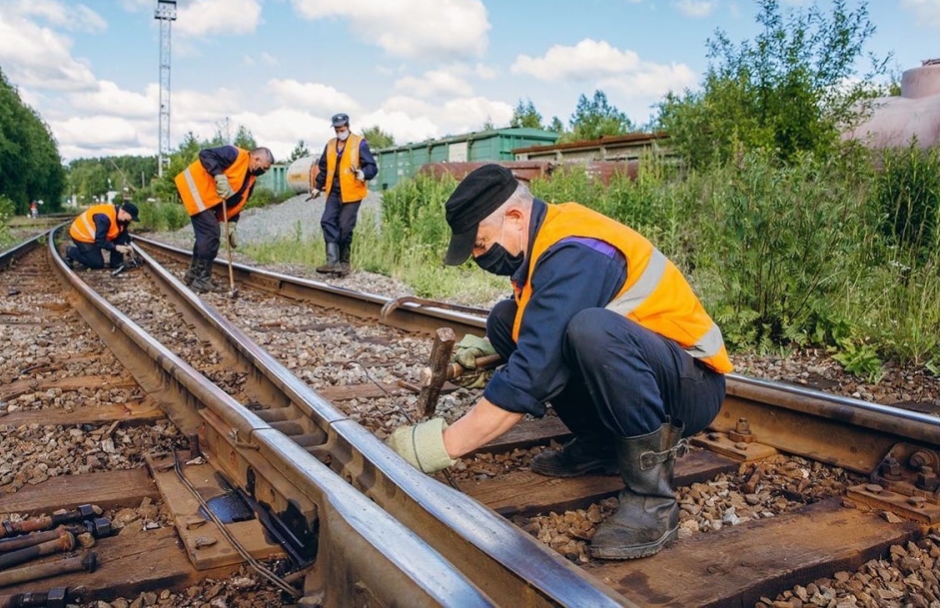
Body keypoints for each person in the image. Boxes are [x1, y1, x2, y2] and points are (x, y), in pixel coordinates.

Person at [387, 164, 730, 561]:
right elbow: (538, 324)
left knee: (592, 330)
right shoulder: (548, 237)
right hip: (653, 369)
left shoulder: (576, 251)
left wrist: (439, 446)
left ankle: (653, 501)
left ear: (514, 217)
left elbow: (535, 372)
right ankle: (602, 445)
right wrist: (489, 348)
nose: (477, 256)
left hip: (692, 384)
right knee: (504, 319)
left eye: (480, 244)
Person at [175, 145, 274, 292]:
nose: (263, 172)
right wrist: (218, 175)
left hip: (206, 199)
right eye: (264, 167)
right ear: (256, 158)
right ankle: (201, 281)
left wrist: (232, 224)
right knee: (211, 234)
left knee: (205, 237)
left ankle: (193, 275)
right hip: (196, 190)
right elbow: (205, 153)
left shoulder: (250, 178)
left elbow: (237, 202)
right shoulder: (234, 154)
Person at [310, 113, 378, 276]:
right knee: (327, 221)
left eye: (341, 128)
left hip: (352, 192)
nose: (339, 131)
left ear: (347, 126)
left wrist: (363, 173)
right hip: (333, 191)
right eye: (336, 129)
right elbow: (324, 168)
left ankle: (344, 263)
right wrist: (317, 187)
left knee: (345, 228)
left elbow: (372, 167)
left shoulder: (359, 143)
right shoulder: (330, 144)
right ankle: (332, 262)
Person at [65, 201, 139, 270]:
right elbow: (100, 241)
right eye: (130, 218)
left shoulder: (122, 220)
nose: (130, 221)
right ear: (123, 212)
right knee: (97, 264)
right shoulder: (103, 218)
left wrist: (127, 246)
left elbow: (123, 234)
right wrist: (117, 247)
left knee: (122, 236)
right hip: (82, 234)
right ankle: (71, 251)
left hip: (95, 235)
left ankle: (116, 263)